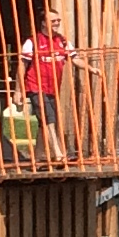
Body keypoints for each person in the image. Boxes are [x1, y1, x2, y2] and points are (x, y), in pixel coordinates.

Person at [18, 10, 72, 159]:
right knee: (49, 118)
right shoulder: (32, 42)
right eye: (53, 20)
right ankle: (58, 153)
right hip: (35, 86)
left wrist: (91, 68)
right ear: (43, 23)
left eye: (58, 20)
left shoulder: (63, 41)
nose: (57, 23)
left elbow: (75, 58)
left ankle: (38, 157)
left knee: (45, 122)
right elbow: (22, 65)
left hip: (52, 88)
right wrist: (18, 90)